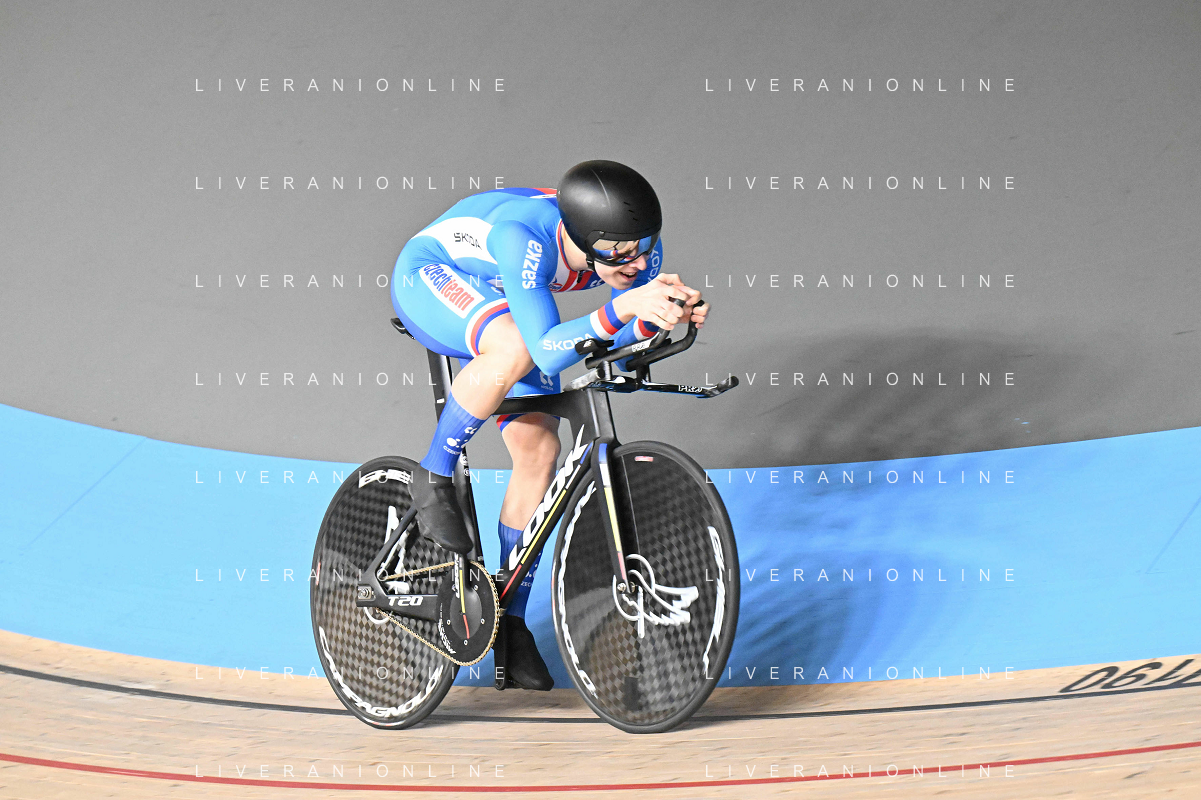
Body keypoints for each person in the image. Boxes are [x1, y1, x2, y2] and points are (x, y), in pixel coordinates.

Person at [390, 160, 708, 690]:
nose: (635, 263)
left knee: (539, 451)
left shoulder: (634, 246)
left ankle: (508, 620)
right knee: (516, 345)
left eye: (644, 247)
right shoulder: (524, 237)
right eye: (618, 253)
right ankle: (433, 473)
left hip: (506, 295)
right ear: (582, 239)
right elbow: (546, 351)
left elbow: (613, 345)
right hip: (432, 275)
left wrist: (660, 321)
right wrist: (625, 310)